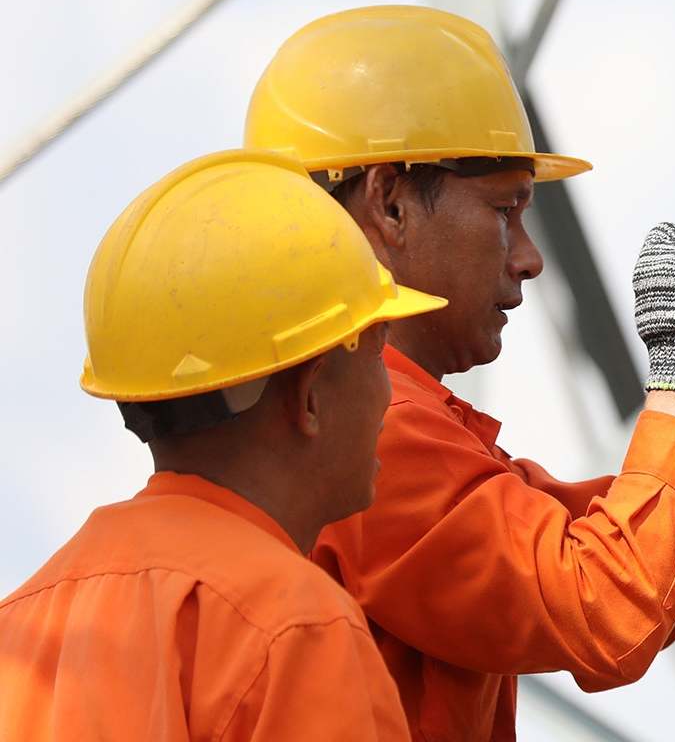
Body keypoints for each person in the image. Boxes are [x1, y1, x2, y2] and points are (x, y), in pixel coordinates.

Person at [243, 5, 675, 740]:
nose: (529, 257)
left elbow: (650, 554)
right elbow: (606, 602)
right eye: (504, 211)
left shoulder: (371, 426)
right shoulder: (367, 434)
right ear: (389, 202)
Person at [0, 150, 446, 740]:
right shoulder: (294, 626)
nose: (391, 393)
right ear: (309, 395)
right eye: (377, 350)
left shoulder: (23, 625)